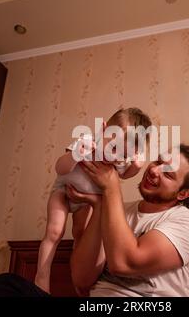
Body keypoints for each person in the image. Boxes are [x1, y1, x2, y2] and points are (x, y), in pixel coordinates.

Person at [0, 144, 189, 297]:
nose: (155, 170)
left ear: (183, 194)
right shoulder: (116, 208)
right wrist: (100, 204)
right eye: (158, 162)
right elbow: (82, 278)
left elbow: (125, 263)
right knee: (4, 288)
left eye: (168, 173)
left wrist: (110, 187)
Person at [34, 108, 152, 294]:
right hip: (63, 193)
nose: (114, 157)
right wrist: (74, 155)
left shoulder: (118, 163)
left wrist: (136, 167)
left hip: (87, 203)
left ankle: (78, 282)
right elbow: (60, 168)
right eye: (113, 147)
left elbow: (126, 175)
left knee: (81, 234)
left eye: (123, 154)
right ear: (104, 129)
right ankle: (42, 276)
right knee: (55, 232)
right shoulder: (86, 143)